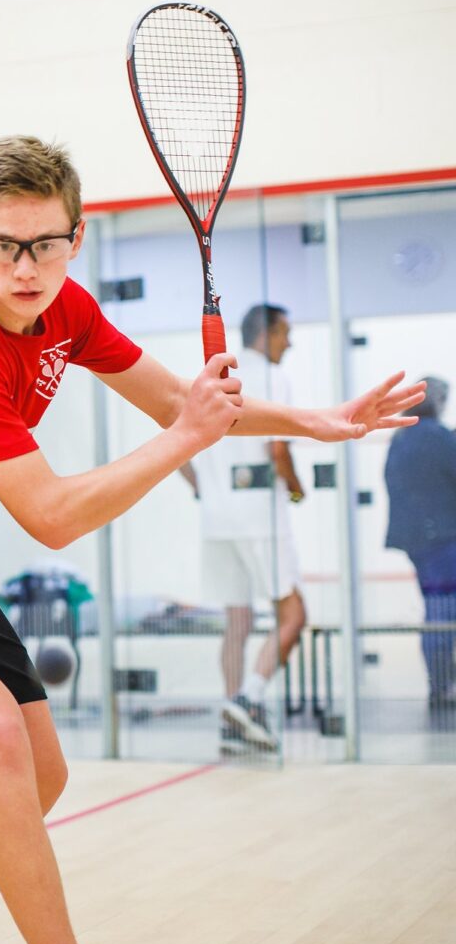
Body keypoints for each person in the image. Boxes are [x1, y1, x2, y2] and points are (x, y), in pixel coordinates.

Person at [0, 135, 422, 944]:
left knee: (39, 772)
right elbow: (51, 514)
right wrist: (190, 438)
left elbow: (174, 400)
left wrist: (316, 421)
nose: (25, 267)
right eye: (4, 245)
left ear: (75, 239)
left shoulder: (69, 310)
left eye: (45, 245)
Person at [179, 304, 308, 755]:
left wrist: (207, 492)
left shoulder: (212, 378)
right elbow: (278, 451)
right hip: (261, 519)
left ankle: (230, 721)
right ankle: (248, 700)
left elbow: (178, 449)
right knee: (294, 615)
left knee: (238, 620)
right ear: (267, 332)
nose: (289, 343)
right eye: (285, 333)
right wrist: (295, 490)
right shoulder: (274, 377)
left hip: (217, 521)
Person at [385, 376, 456, 707]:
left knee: (435, 610)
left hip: (419, 543)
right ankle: (443, 688)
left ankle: (439, 685)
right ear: (437, 402)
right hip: (442, 540)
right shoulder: (441, 439)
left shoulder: (399, 440)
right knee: (442, 612)